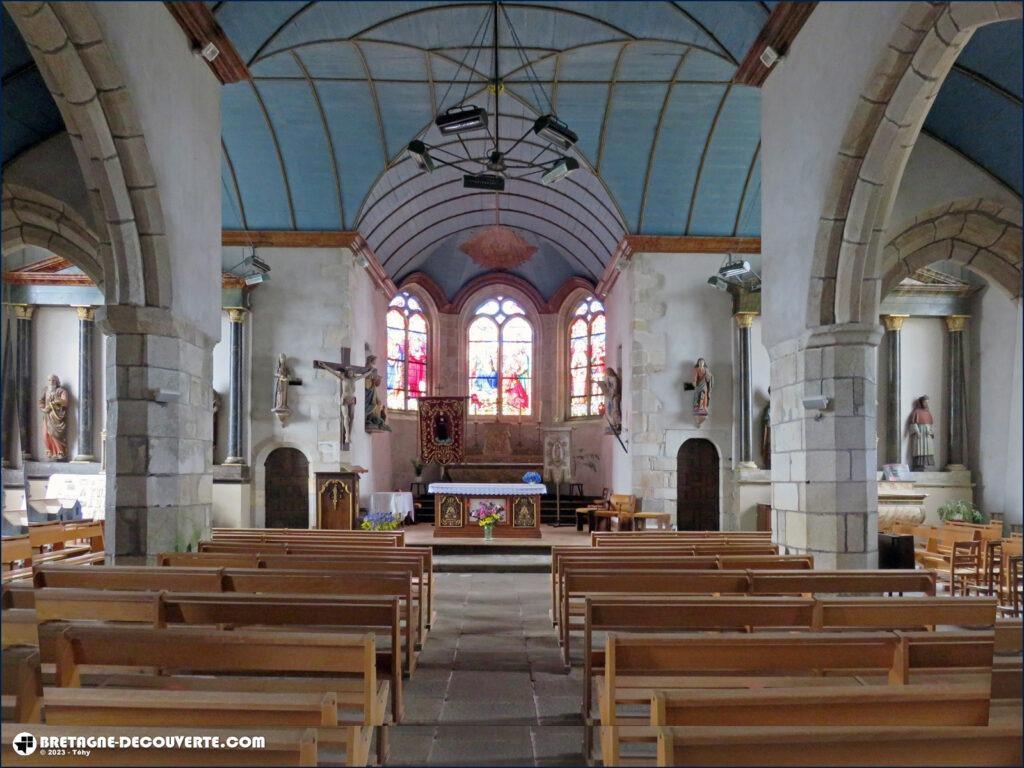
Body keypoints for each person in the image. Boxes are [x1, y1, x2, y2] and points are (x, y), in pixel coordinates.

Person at [38, 374, 69, 460]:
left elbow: (65, 402)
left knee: (55, 434)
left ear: (57, 382)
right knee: (45, 434)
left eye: (53, 380)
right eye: (49, 380)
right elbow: (41, 401)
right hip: (47, 416)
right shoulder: (45, 391)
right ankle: (50, 451)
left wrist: (55, 402)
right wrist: (44, 409)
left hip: (57, 416)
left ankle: (60, 452)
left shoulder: (61, 391)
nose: (51, 382)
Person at [908, 395, 935, 470]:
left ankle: (925, 465)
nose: (926, 403)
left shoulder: (928, 412)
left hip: (927, 433)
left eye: (927, 402)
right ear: (921, 402)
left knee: (928, 449)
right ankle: (918, 465)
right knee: (919, 449)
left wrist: (931, 431)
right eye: (925, 402)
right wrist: (917, 431)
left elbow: (930, 424)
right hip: (920, 433)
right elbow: (913, 423)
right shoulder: (916, 412)